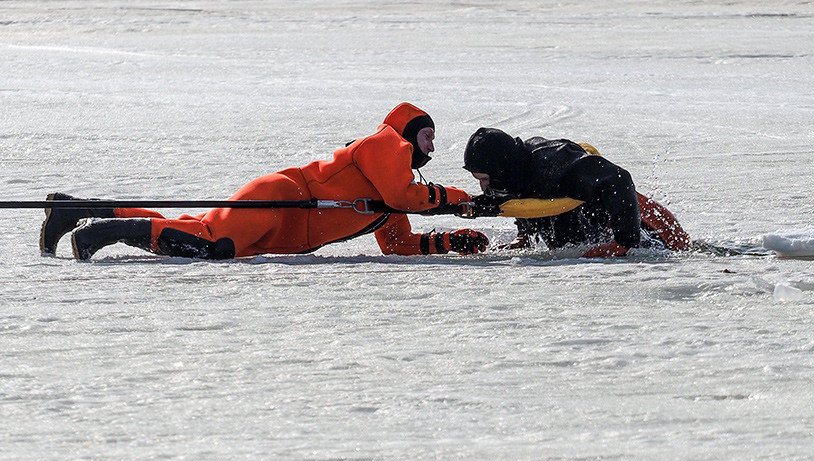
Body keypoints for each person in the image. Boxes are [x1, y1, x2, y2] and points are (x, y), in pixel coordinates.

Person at [41, 103, 489, 260]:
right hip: (282, 200)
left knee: (200, 229)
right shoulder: (386, 144)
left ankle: (75, 209)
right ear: (411, 128)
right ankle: (101, 232)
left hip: (285, 223)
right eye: (428, 134)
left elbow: (397, 242)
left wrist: (450, 242)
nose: (433, 147)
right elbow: (402, 196)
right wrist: (460, 199)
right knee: (213, 244)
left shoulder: (396, 183)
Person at [462, 127, 690, 258]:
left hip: (644, 232)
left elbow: (618, 180)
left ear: (502, 169)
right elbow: (523, 197)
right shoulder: (514, 171)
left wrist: (622, 242)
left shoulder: (556, 163)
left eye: (484, 178)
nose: (484, 187)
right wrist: (525, 235)